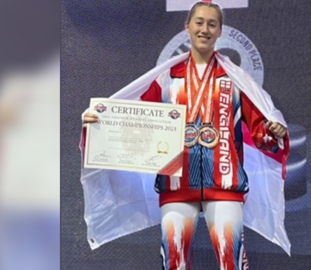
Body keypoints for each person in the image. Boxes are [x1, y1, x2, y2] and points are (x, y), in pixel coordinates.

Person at [81, 1, 290, 269]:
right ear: (187, 27)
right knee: (173, 259)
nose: (205, 29)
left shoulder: (236, 79)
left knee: (232, 260)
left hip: (224, 185)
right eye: (199, 22)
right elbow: (135, 120)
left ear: (220, 31)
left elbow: (261, 131)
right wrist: (101, 123)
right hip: (176, 184)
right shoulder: (166, 78)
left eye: (212, 24)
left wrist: (274, 132)